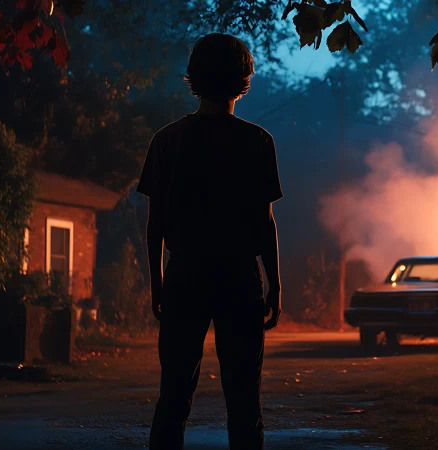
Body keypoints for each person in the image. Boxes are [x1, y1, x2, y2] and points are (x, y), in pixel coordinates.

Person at [136, 33, 283, 450]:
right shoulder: (257, 141)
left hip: (186, 274)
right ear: (244, 79)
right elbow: (264, 223)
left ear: (194, 78)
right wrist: (275, 284)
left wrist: (157, 282)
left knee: (174, 398)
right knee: (243, 402)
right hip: (239, 277)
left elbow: (155, 224)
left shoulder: (167, 140)